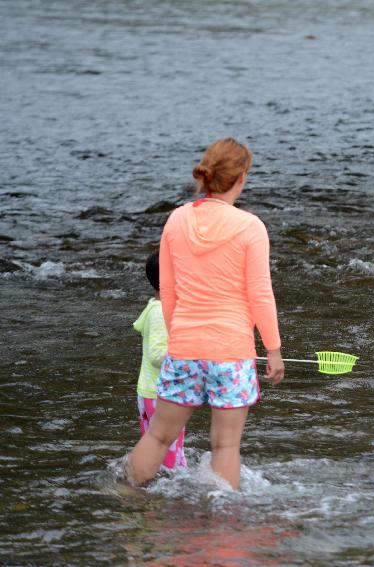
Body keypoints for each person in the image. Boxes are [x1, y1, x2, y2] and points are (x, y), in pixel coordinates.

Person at [125, 138, 284, 490]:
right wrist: (272, 349)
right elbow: (260, 293)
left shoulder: (177, 219)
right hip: (231, 351)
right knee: (225, 445)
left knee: (158, 437)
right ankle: (223, 528)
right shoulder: (250, 227)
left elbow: (168, 291)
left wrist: (177, 333)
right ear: (241, 177)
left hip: (183, 346)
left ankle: (125, 501)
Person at [133, 250, 186, 469]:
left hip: (154, 392)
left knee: (155, 447)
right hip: (159, 394)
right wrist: (186, 351)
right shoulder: (158, 313)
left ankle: (147, 481)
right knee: (168, 452)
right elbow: (156, 356)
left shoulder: (160, 308)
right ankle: (174, 487)